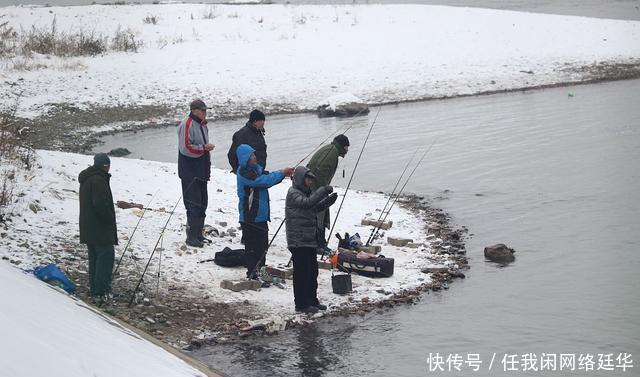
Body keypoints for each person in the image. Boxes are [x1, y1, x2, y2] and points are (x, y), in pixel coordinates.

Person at [235, 144, 294, 279]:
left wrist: (283, 173)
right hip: (250, 217)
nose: (254, 157)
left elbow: (267, 176)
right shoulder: (244, 173)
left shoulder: (256, 170)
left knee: (262, 246)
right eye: (251, 155)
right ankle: (252, 273)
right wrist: (282, 173)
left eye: (254, 154)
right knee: (252, 248)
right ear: (245, 159)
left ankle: (261, 271)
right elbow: (264, 181)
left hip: (261, 217)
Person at [285, 166, 338, 313]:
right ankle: (301, 305)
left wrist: (327, 202)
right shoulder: (293, 193)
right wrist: (323, 190)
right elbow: (306, 204)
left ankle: (312, 301)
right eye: (308, 179)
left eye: (310, 180)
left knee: (312, 272)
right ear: (301, 178)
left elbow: (312, 208)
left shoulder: (305, 193)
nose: (309, 182)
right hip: (298, 240)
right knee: (302, 274)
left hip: (308, 240)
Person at [78, 153, 118, 304]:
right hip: (99, 228)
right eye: (108, 165)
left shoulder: (88, 178)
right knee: (105, 258)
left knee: (95, 258)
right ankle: (101, 292)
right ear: (104, 166)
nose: (109, 168)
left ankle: (96, 290)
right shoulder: (98, 180)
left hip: (89, 228)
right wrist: (110, 220)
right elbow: (100, 205)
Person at [178, 99, 215, 248]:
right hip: (190, 171)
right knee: (193, 204)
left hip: (201, 170)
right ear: (194, 111)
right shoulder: (186, 124)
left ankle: (199, 234)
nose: (205, 113)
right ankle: (191, 237)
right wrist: (203, 148)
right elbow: (185, 148)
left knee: (202, 203)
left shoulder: (203, 125)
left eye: (206, 110)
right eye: (203, 110)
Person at [306, 134, 350, 252]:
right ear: (342, 146)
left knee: (320, 216)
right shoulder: (332, 153)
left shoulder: (331, 150)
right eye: (346, 148)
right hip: (316, 190)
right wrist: (323, 190)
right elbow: (320, 171)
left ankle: (321, 243)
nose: (347, 151)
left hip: (315, 188)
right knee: (318, 217)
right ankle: (318, 245)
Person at [228, 109, 268, 174]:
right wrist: (241, 171)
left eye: (264, 120)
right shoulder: (241, 134)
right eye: (261, 120)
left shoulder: (258, 132)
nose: (263, 122)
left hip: (258, 171)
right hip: (248, 174)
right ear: (255, 121)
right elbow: (232, 155)